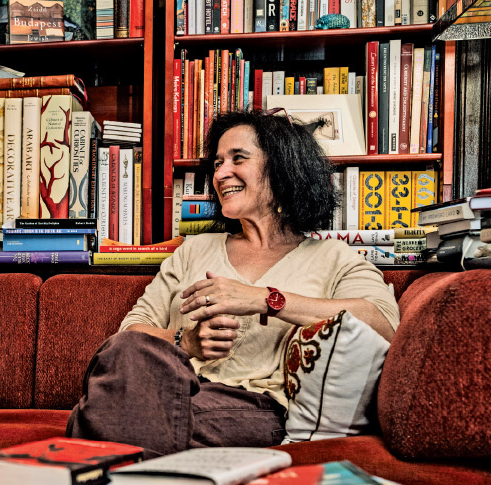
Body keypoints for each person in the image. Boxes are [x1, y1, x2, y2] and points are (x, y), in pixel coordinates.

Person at [67, 110, 400, 456]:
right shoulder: (193, 250)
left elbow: (383, 325)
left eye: (238, 159)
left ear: (283, 166)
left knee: (103, 416)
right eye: (217, 163)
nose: (221, 173)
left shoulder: (335, 258)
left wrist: (265, 299)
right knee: (124, 355)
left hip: (251, 407)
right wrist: (186, 341)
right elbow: (131, 334)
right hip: (169, 386)